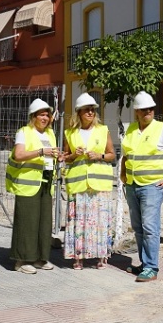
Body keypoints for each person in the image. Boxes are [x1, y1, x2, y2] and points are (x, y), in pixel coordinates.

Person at [120, 91, 163, 282]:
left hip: (152, 187)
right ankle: (144, 263)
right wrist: (123, 174)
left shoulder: (162, 129)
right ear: (137, 112)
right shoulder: (131, 129)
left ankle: (151, 268)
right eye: (144, 109)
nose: (148, 112)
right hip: (132, 185)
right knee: (138, 227)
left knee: (149, 227)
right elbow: (126, 155)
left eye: (151, 109)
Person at [6, 98, 61, 274]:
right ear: (33, 116)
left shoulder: (50, 134)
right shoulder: (24, 132)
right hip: (28, 184)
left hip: (45, 183)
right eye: (41, 115)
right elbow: (19, 154)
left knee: (43, 222)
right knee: (27, 222)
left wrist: (58, 156)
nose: (45, 118)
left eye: (47, 115)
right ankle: (21, 261)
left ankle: (39, 257)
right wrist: (40, 152)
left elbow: (50, 156)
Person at [62, 93, 115, 270]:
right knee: (79, 222)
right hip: (78, 185)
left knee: (99, 221)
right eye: (87, 110)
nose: (91, 112)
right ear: (79, 112)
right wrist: (73, 155)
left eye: (93, 110)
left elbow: (111, 155)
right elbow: (65, 158)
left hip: (99, 185)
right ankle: (78, 258)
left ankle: (101, 257)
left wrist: (99, 155)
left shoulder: (103, 130)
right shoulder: (69, 133)